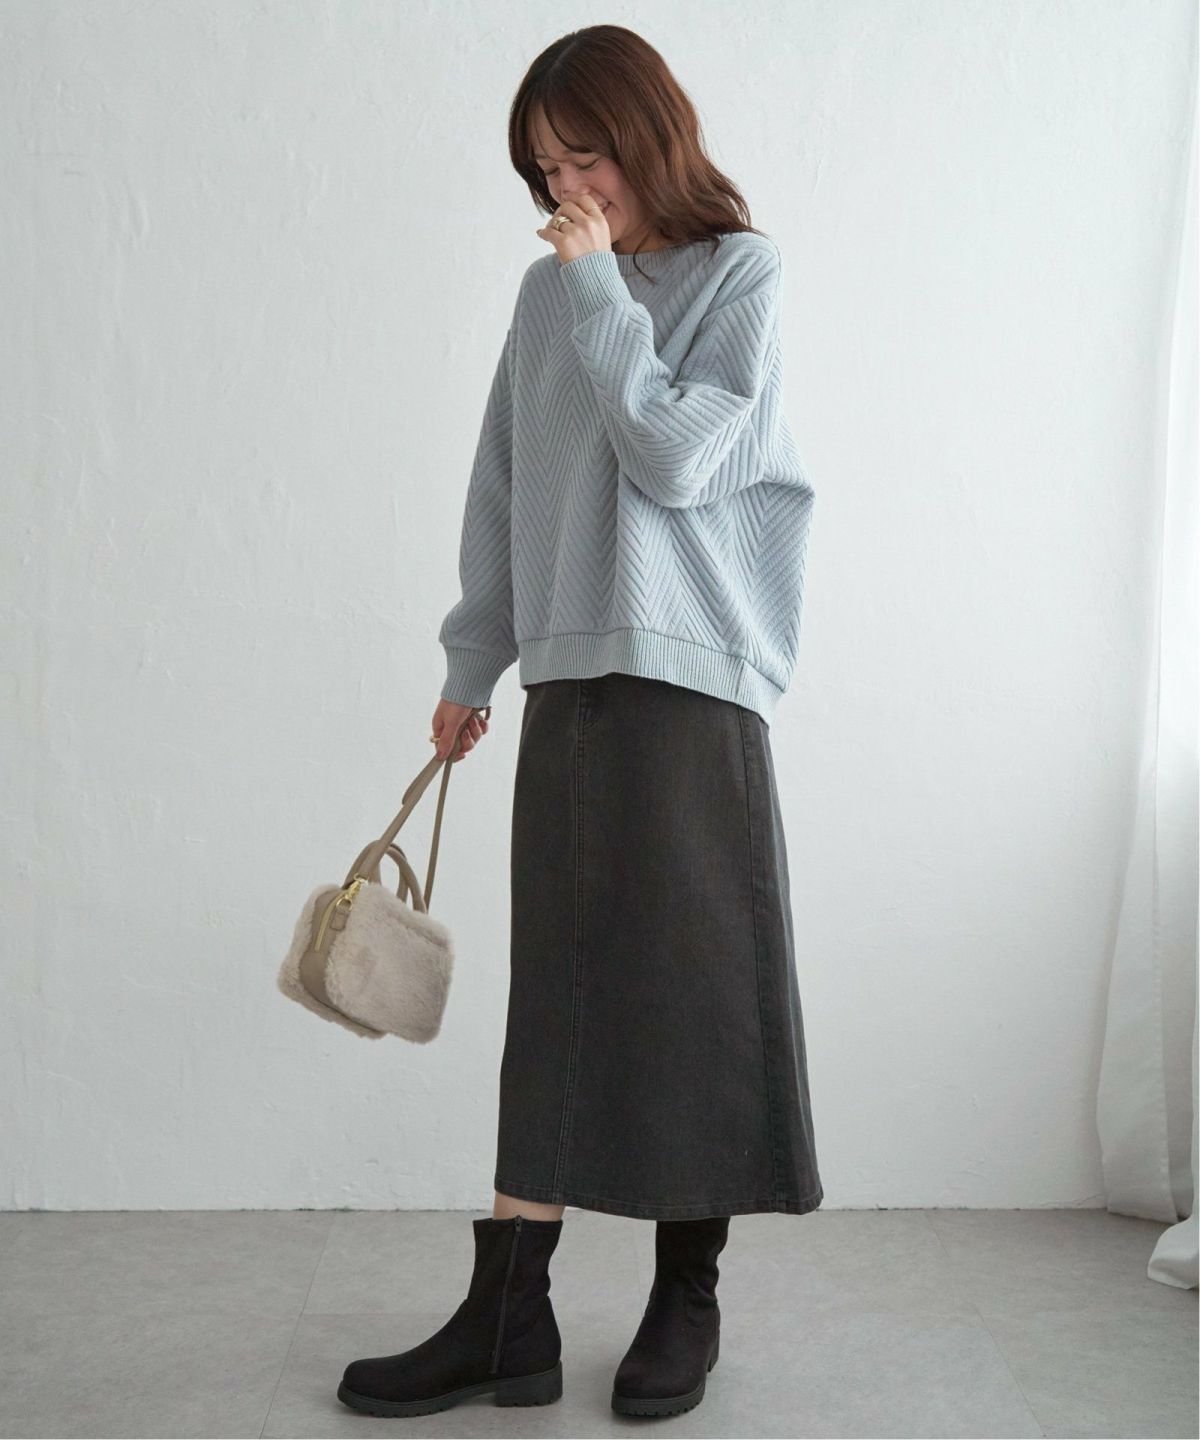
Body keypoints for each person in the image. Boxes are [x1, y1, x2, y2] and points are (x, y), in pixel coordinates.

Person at [337, 22, 823, 1422]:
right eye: (545, 170)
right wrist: (472, 660)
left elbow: (675, 456)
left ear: (648, 135)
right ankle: (512, 1318)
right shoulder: (549, 291)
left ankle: (686, 1297)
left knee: (695, 999)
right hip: (566, 676)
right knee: (552, 996)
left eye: (585, 156)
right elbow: (506, 479)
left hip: (695, 685)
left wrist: (600, 283)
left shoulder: (738, 276)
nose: (566, 190)